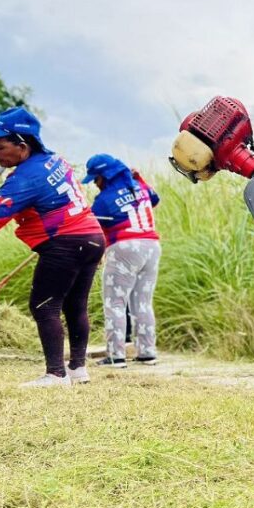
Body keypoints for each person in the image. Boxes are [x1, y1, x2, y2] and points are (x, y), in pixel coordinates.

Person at [0, 107, 105, 386]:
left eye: (0, 147)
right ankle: (77, 369)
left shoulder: (25, 177)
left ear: (22, 147)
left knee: (44, 305)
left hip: (66, 242)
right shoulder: (53, 160)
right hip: (91, 237)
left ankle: (55, 374)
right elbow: (40, 195)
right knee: (75, 305)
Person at [83, 154, 161, 368]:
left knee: (115, 302)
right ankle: (147, 352)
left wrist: (97, 254)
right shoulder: (140, 188)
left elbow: (92, 228)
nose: (96, 184)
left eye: (96, 179)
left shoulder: (104, 200)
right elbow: (155, 199)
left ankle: (116, 355)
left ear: (105, 176)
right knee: (143, 302)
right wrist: (139, 178)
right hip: (151, 246)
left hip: (124, 248)